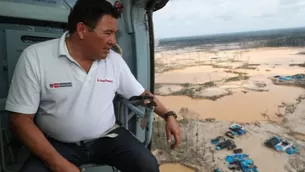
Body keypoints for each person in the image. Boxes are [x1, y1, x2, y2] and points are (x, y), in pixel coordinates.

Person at [5, 0, 181, 172]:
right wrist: (59, 165)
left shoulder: (113, 61)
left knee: (147, 166)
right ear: (82, 30)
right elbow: (20, 120)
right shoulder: (36, 58)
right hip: (58, 144)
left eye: (115, 33)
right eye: (108, 33)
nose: (113, 41)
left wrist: (168, 115)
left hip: (107, 138)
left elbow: (142, 95)